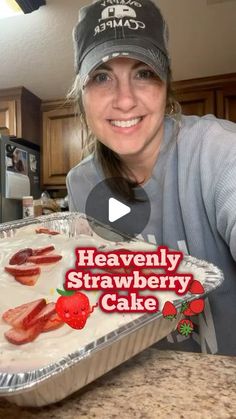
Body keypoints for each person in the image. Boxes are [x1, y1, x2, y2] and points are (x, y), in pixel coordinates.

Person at [66, 0, 236, 356]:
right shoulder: (81, 184)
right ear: (81, 95)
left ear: (166, 85)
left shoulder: (217, 151)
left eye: (143, 72)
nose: (125, 100)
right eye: (101, 76)